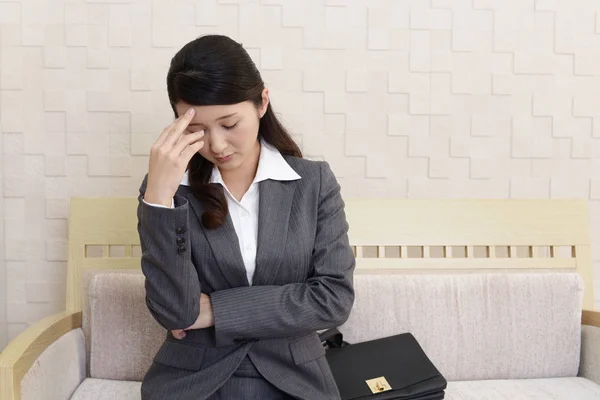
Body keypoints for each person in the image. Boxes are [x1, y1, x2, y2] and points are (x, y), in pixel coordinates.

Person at [136, 34, 355, 400]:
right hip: (193, 381)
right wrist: (158, 198)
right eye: (196, 129)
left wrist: (217, 311)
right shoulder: (168, 188)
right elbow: (175, 313)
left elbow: (333, 299)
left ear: (262, 103)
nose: (216, 145)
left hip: (295, 380)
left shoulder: (313, 183)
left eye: (229, 124)